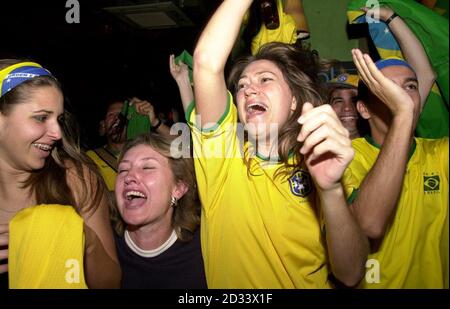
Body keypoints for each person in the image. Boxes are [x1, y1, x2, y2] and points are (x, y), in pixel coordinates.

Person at [189, 0, 368, 288]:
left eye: (265, 79)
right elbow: (206, 63)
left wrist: (332, 190)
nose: (249, 90)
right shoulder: (221, 157)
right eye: (243, 85)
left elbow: (351, 273)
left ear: (295, 100)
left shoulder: (324, 162)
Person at [0, 59, 121, 288]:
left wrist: (84, 239)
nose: (57, 132)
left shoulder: (76, 180)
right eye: (41, 117)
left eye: (58, 119)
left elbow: (110, 283)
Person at [346, 48, 448, 288]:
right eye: (387, 88)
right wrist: (403, 114)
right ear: (364, 109)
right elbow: (369, 223)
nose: (401, 94)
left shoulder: (440, 154)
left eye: (411, 87)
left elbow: (427, 72)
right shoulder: (346, 157)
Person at [113, 133, 207, 288]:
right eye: (123, 170)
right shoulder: (104, 247)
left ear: (179, 188)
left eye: (147, 167)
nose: (129, 176)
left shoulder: (203, 250)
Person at [87, 97, 170, 193]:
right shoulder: (90, 158)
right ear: (102, 127)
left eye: (122, 114)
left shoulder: (149, 151)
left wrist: (154, 122)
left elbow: (184, 147)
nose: (117, 118)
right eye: (111, 115)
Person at [327, 73, 361, 139]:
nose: (347, 108)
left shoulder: (383, 145)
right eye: (338, 101)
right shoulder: (318, 147)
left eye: (354, 100)